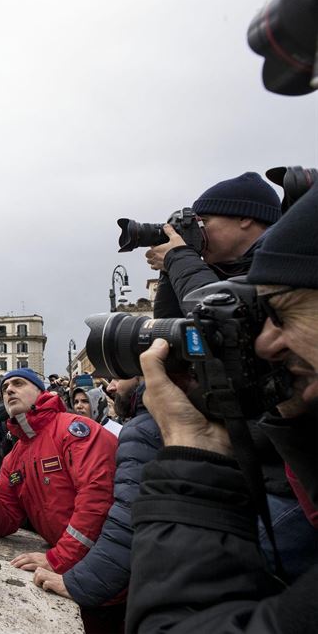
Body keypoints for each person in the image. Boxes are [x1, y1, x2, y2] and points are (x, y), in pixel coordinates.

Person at [126, 175, 318, 631]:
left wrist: (192, 445)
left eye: (282, 313)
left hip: (271, 483)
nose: (267, 344)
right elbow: (176, 329)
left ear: (247, 216)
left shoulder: (281, 261)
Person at [33, 375, 160, 632]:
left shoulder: (138, 429)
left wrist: (74, 574)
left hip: (117, 583)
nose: (110, 388)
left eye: (119, 376)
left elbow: (120, 515)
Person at [0, 369, 117, 575]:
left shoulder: (76, 430)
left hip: (106, 567)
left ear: (42, 393)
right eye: (5, 388)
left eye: (19, 384)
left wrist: (59, 558)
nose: (10, 390)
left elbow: (96, 498)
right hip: (79, 567)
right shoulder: (13, 459)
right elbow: (2, 525)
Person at [146, 171, 280, 319]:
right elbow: (172, 328)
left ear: (244, 219)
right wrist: (171, 269)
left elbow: (222, 321)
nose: (197, 233)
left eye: (204, 221)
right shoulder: (221, 272)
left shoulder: (284, 265)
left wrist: (179, 259)